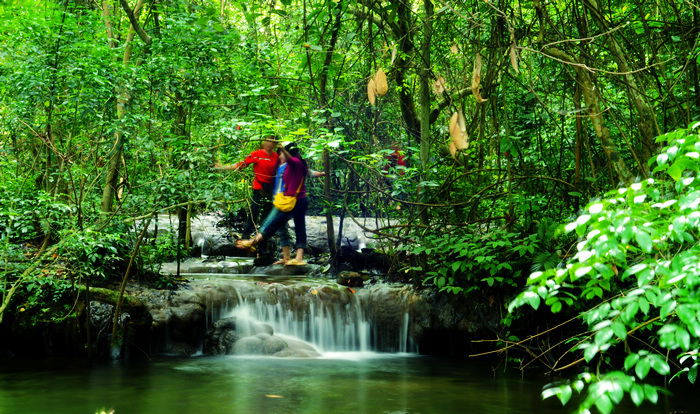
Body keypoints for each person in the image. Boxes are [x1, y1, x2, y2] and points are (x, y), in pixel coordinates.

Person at [236, 142, 311, 266]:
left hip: (296, 202)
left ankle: (253, 242)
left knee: (280, 224)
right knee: (293, 227)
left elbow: (290, 160)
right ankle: (294, 258)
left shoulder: (295, 162)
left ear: (288, 153)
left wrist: (281, 148)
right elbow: (307, 172)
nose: (279, 156)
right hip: (293, 200)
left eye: (280, 154)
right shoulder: (289, 165)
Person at [214, 137, 278, 237]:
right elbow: (241, 164)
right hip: (258, 188)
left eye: (272, 142)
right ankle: (245, 237)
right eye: (267, 141)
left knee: (266, 218)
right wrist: (222, 167)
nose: (269, 144)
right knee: (253, 214)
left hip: (271, 191)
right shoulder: (257, 154)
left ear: (275, 144)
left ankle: (263, 240)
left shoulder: (277, 157)